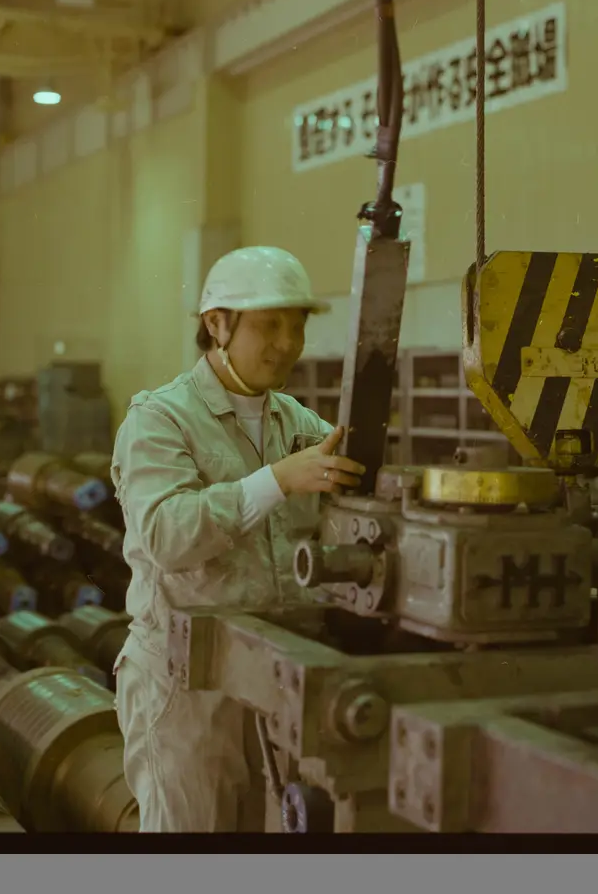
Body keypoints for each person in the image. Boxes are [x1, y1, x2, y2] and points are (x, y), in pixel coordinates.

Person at [110, 245, 367, 832]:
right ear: (217, 324)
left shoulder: (299, 423)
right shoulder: (160, 419)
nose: (288, 343)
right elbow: (166, 534)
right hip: (186, 685)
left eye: (297, 326)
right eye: (269, 326)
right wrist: (278, 480)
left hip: (275, 682)